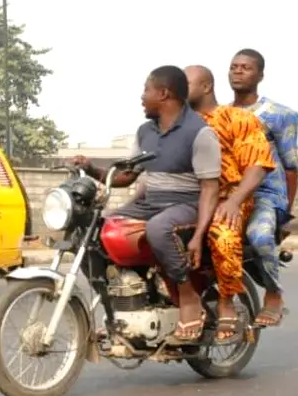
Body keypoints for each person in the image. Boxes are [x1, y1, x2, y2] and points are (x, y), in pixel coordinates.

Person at [70, 66, 221, 342]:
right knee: (93, 229)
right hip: (151, 202)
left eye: (146, 90)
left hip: (187, 203)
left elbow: (210, 188)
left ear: (163, 94)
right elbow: (126, 176)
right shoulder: (145, 132)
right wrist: (91, 168)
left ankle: (189, 297)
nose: (142, 97)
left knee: (158, 227)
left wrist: (199, 234)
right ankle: (116, 306)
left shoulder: (199, 133)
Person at [185, 65, 275, 343]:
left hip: (229, 197)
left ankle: (227, 299)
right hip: (187, 200)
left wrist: (235, 201)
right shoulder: (178, 123)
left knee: (222, 233)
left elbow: (258, 165)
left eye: (185, 83)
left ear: (206, 86)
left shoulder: (236, 118)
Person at [228, 49, 298, 328]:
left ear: (260, 75)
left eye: (245, 67)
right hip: (228, 194)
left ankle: (273, 294)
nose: (238, 71)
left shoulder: (280, 115)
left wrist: (285, 215)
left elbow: (291, 167)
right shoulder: (219, 115)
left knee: (258, 236)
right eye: (234, 67)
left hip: (265, 195)